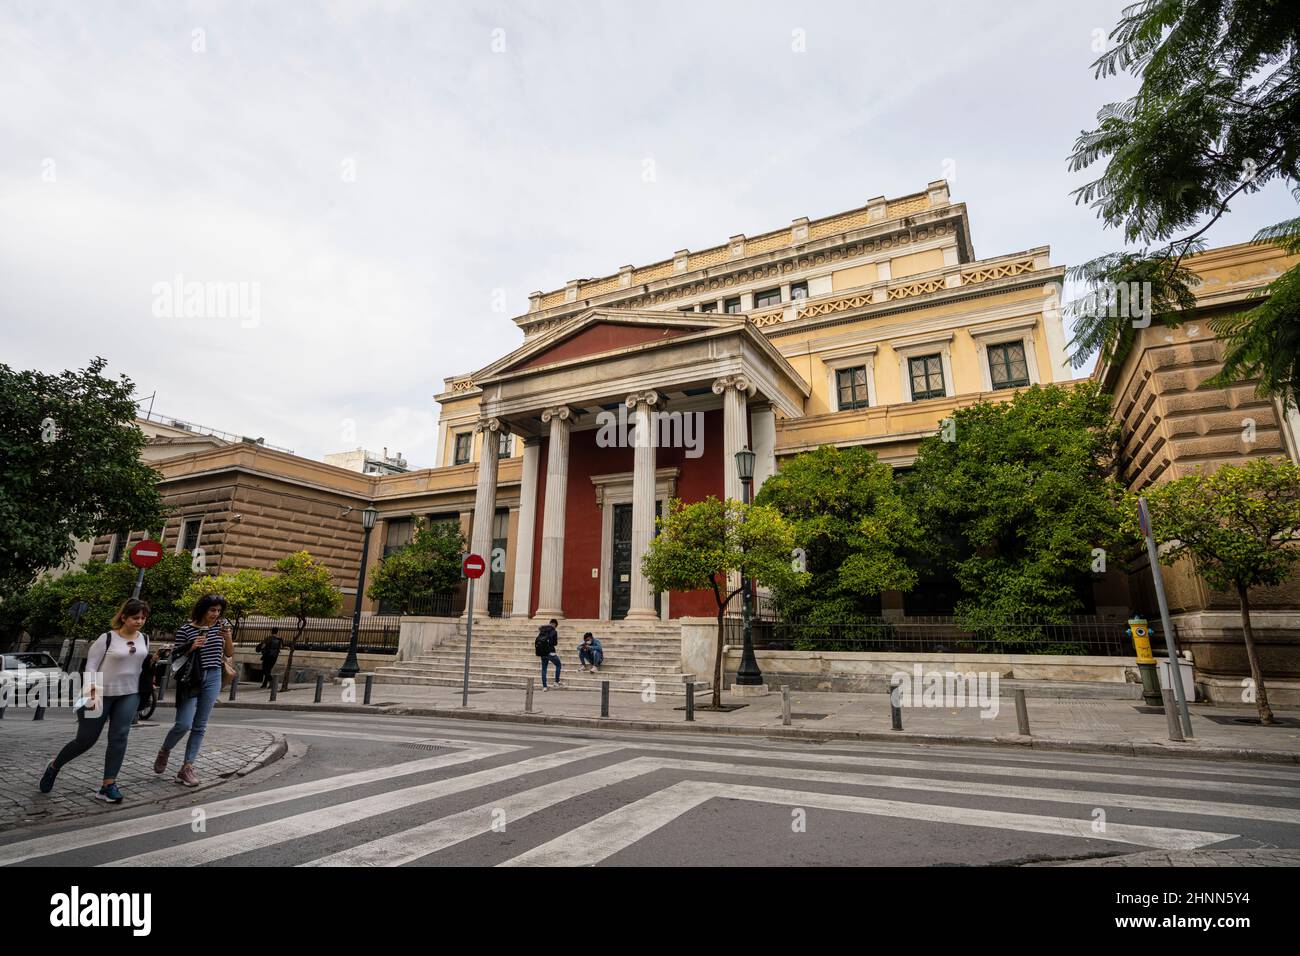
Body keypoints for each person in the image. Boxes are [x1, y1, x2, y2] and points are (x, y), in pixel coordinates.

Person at [39, 599, 151, 803]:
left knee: (119, 736)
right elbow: (91, 666)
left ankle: (108, 785)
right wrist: (91, 692)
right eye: (136, 617)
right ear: (124, 617)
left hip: (130, 693)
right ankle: (54, 766)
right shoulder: (107, 638)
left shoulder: (145, 638)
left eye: (143, 618)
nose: (140, 621)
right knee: (85, 740)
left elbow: (141, 665)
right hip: (99, 693)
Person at [154, 594, 231, 787]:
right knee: (183, 724)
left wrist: (228, 637)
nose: (215, 614)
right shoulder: (186, 629)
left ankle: (187, 768)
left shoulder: (220, 629)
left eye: (219, 611)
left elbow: (229, 654)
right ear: (202, 609)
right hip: (191, 678)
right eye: (212, 610)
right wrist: (191, 647)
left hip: (213, 676)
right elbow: (176, 657)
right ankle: (165, 750)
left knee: (200, 725)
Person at [534, 618, 562, 690]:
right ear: (555, 625)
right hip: (550, 652)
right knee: (558, 664)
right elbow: (554, 643)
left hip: (542, 652)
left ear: (550, 623)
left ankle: (544, 686)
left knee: (544, 669)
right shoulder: (554, 631)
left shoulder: (542, 629)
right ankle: (556, 681)